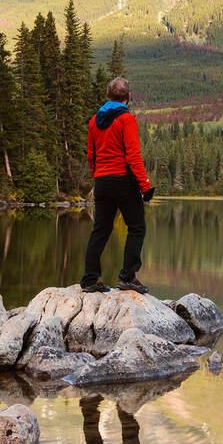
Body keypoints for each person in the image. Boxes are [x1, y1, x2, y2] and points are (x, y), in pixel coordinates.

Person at [82, 76, 154, 293]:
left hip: (103, 181)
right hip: (123, 181)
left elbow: (91, 155)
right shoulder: (126, 120)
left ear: (107, 96)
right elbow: (133, 155)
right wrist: (145, 185)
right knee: (137, 228)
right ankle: (128, 277)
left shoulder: (94, 121)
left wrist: (98, 176)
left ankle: (89, 280)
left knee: (100, 231)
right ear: (128, 97)